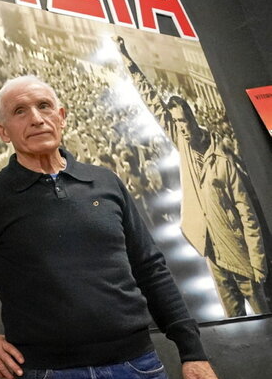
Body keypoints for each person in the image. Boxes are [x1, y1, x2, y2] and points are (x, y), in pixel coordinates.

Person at [0, 75, 223, 379]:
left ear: (62, 115)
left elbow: (151, 269)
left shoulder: (106, 183)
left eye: (44, 107)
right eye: (20, 111)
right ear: (2, 131)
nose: (37, 118)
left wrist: (192, 352)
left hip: (138, 372)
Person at [114, 36, 269, 317]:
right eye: (178, 124)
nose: (182, 129)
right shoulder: (183, 144)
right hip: (211, 248)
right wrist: (129, 62)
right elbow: (155, 105)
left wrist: (259, 263)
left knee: (262, 314)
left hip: (239, 254)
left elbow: (249, 216)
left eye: (184, 122)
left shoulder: (223, 161)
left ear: (192, 119)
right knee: (233, 322)